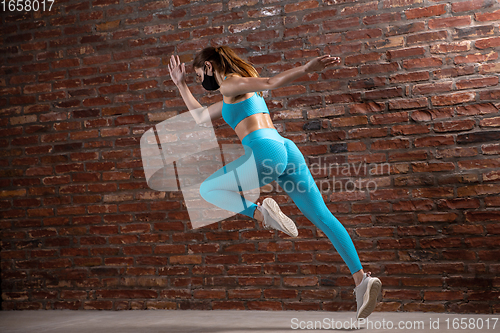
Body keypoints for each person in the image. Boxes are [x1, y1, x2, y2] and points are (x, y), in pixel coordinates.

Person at [167, 46, 382, 319]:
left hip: (265, 152)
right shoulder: (232, 95)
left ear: (209, 66)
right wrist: (181, 84)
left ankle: (261, 213)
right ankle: (362, 281)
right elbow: (199, 117)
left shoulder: (231, 83)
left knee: (208, 189)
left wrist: (305, 69)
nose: (201, 82)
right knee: (323, 216)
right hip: (286, 149)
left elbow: (270, 82)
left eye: (198, 75)